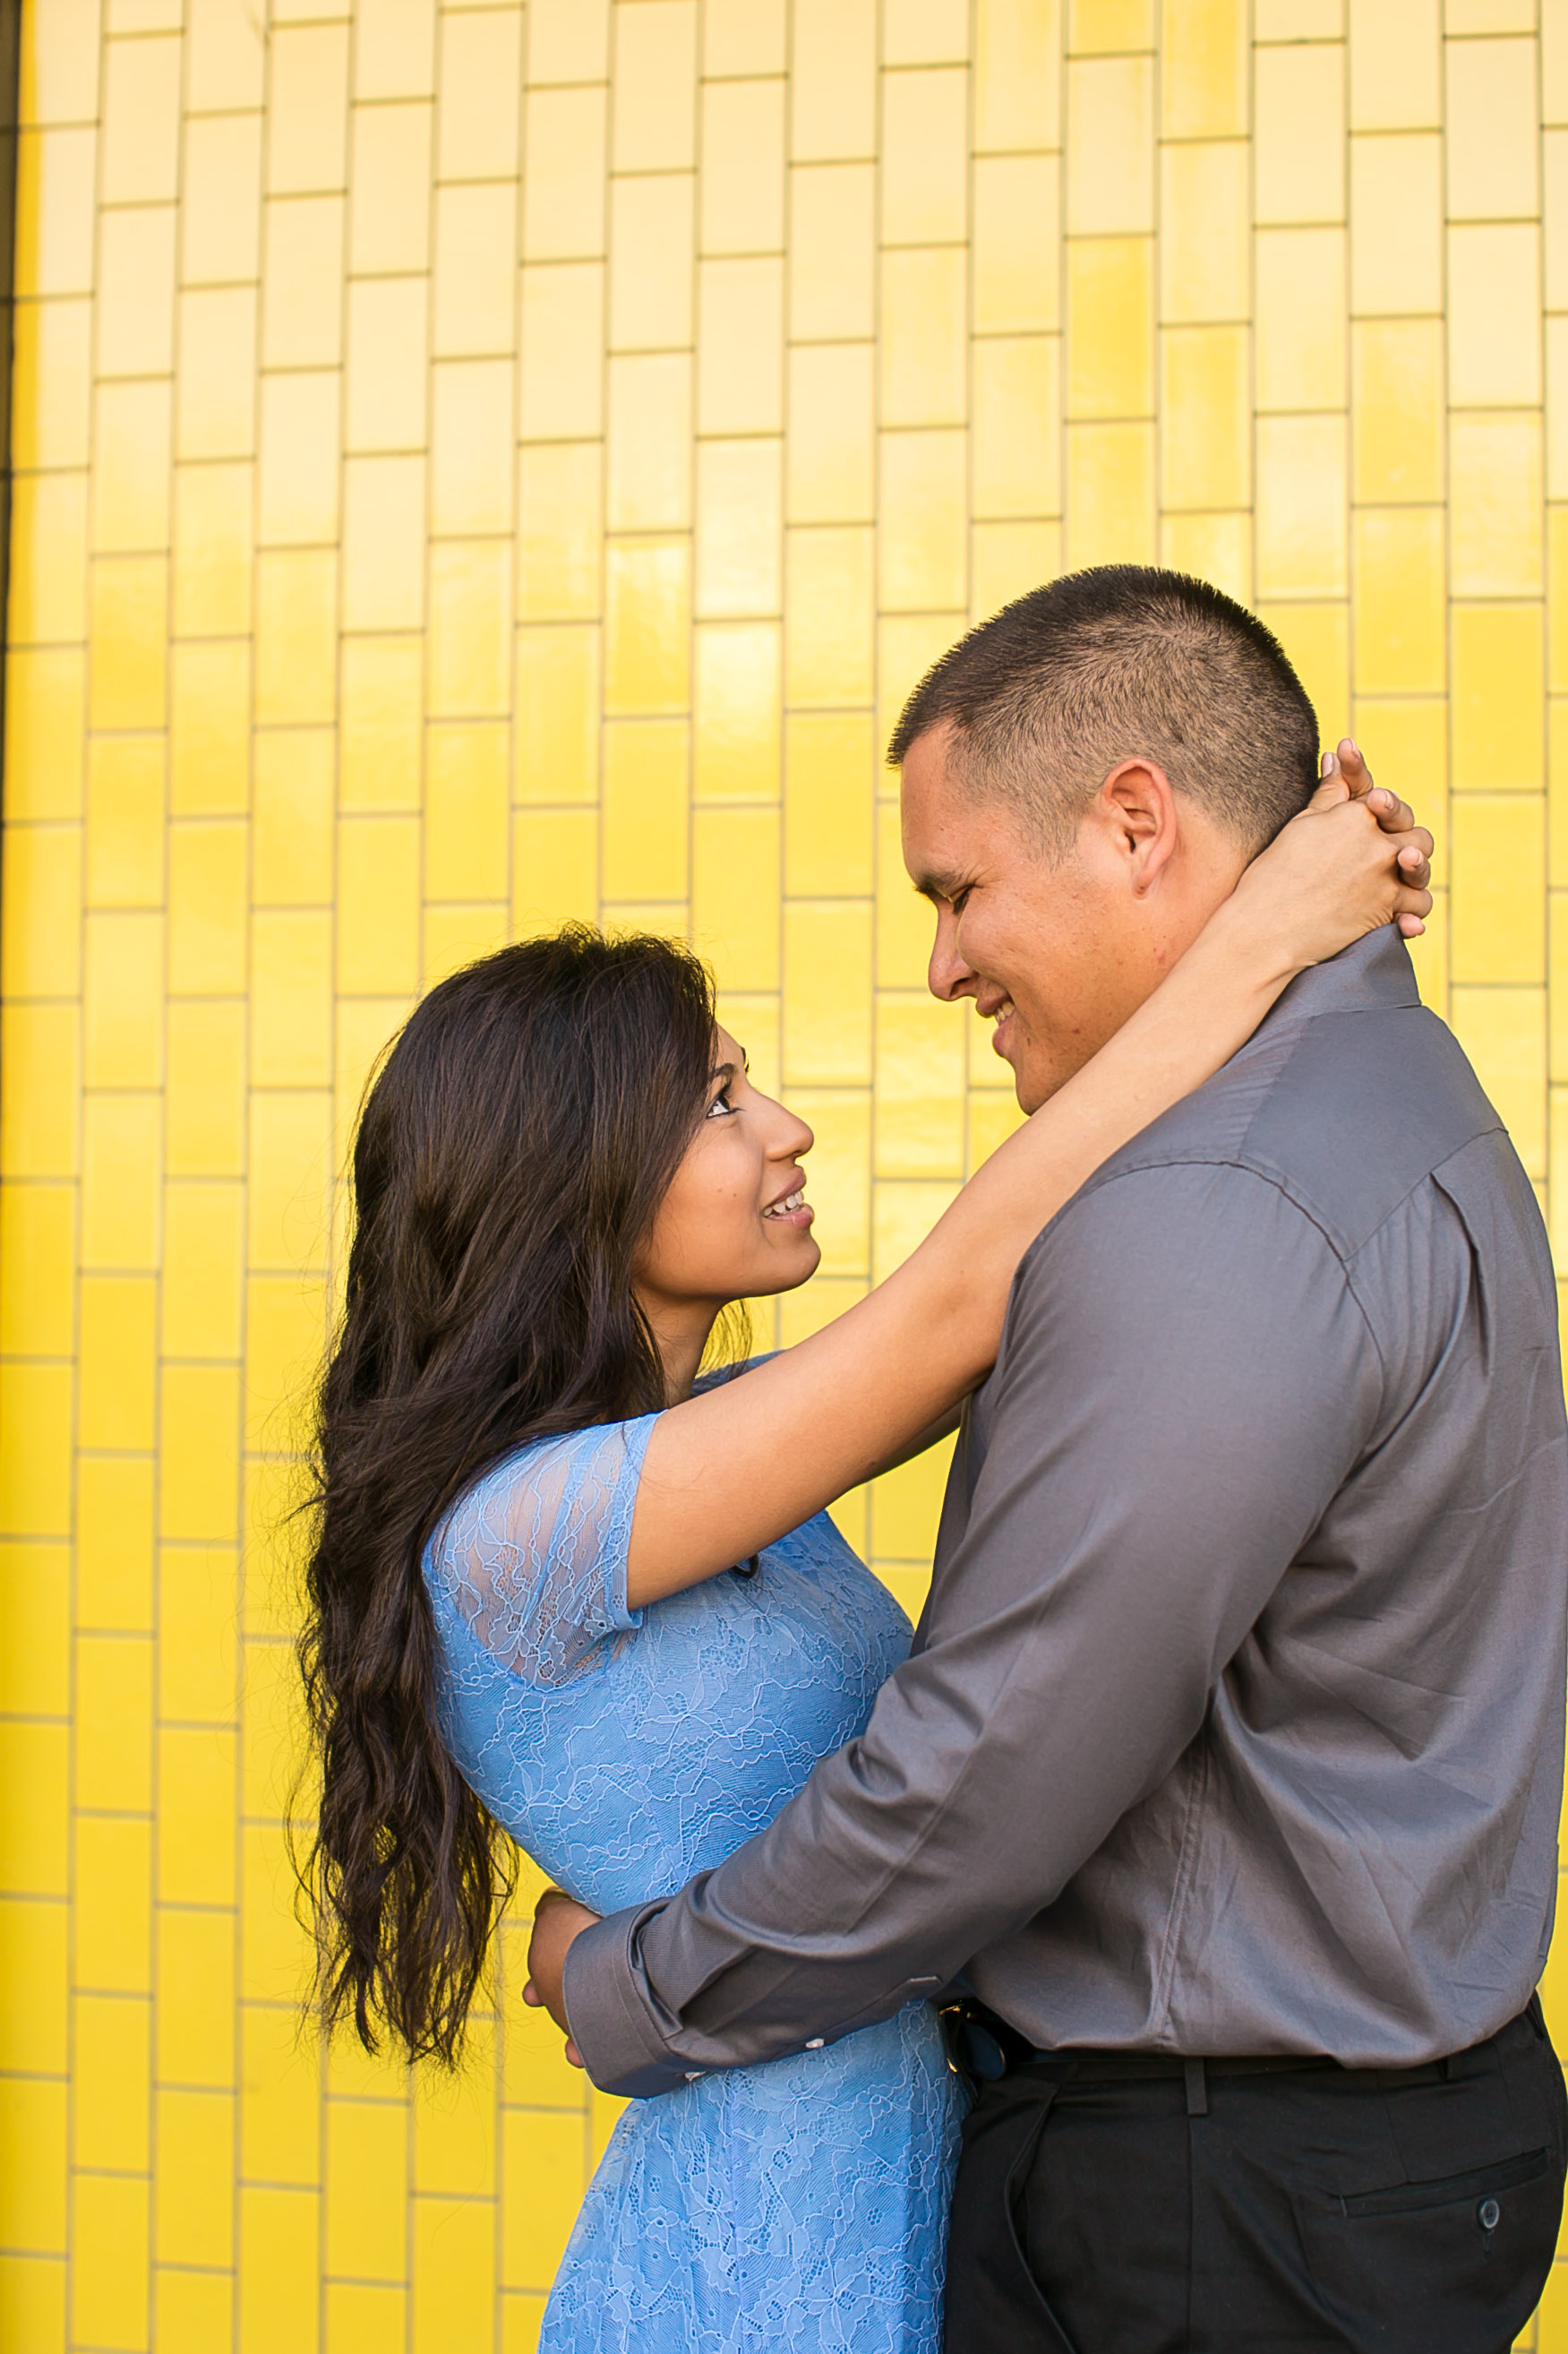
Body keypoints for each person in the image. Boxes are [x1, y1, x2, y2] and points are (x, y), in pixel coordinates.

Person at [297, 587, 1427, 2353]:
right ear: (572, 1185)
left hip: (917, 2178)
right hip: (755, 2254)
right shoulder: (519, 1535)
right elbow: (963, 1304)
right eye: (718, 1101)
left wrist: (607, 1953)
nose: (786, 1126)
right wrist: (1263, 930)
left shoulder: (723, 1487)